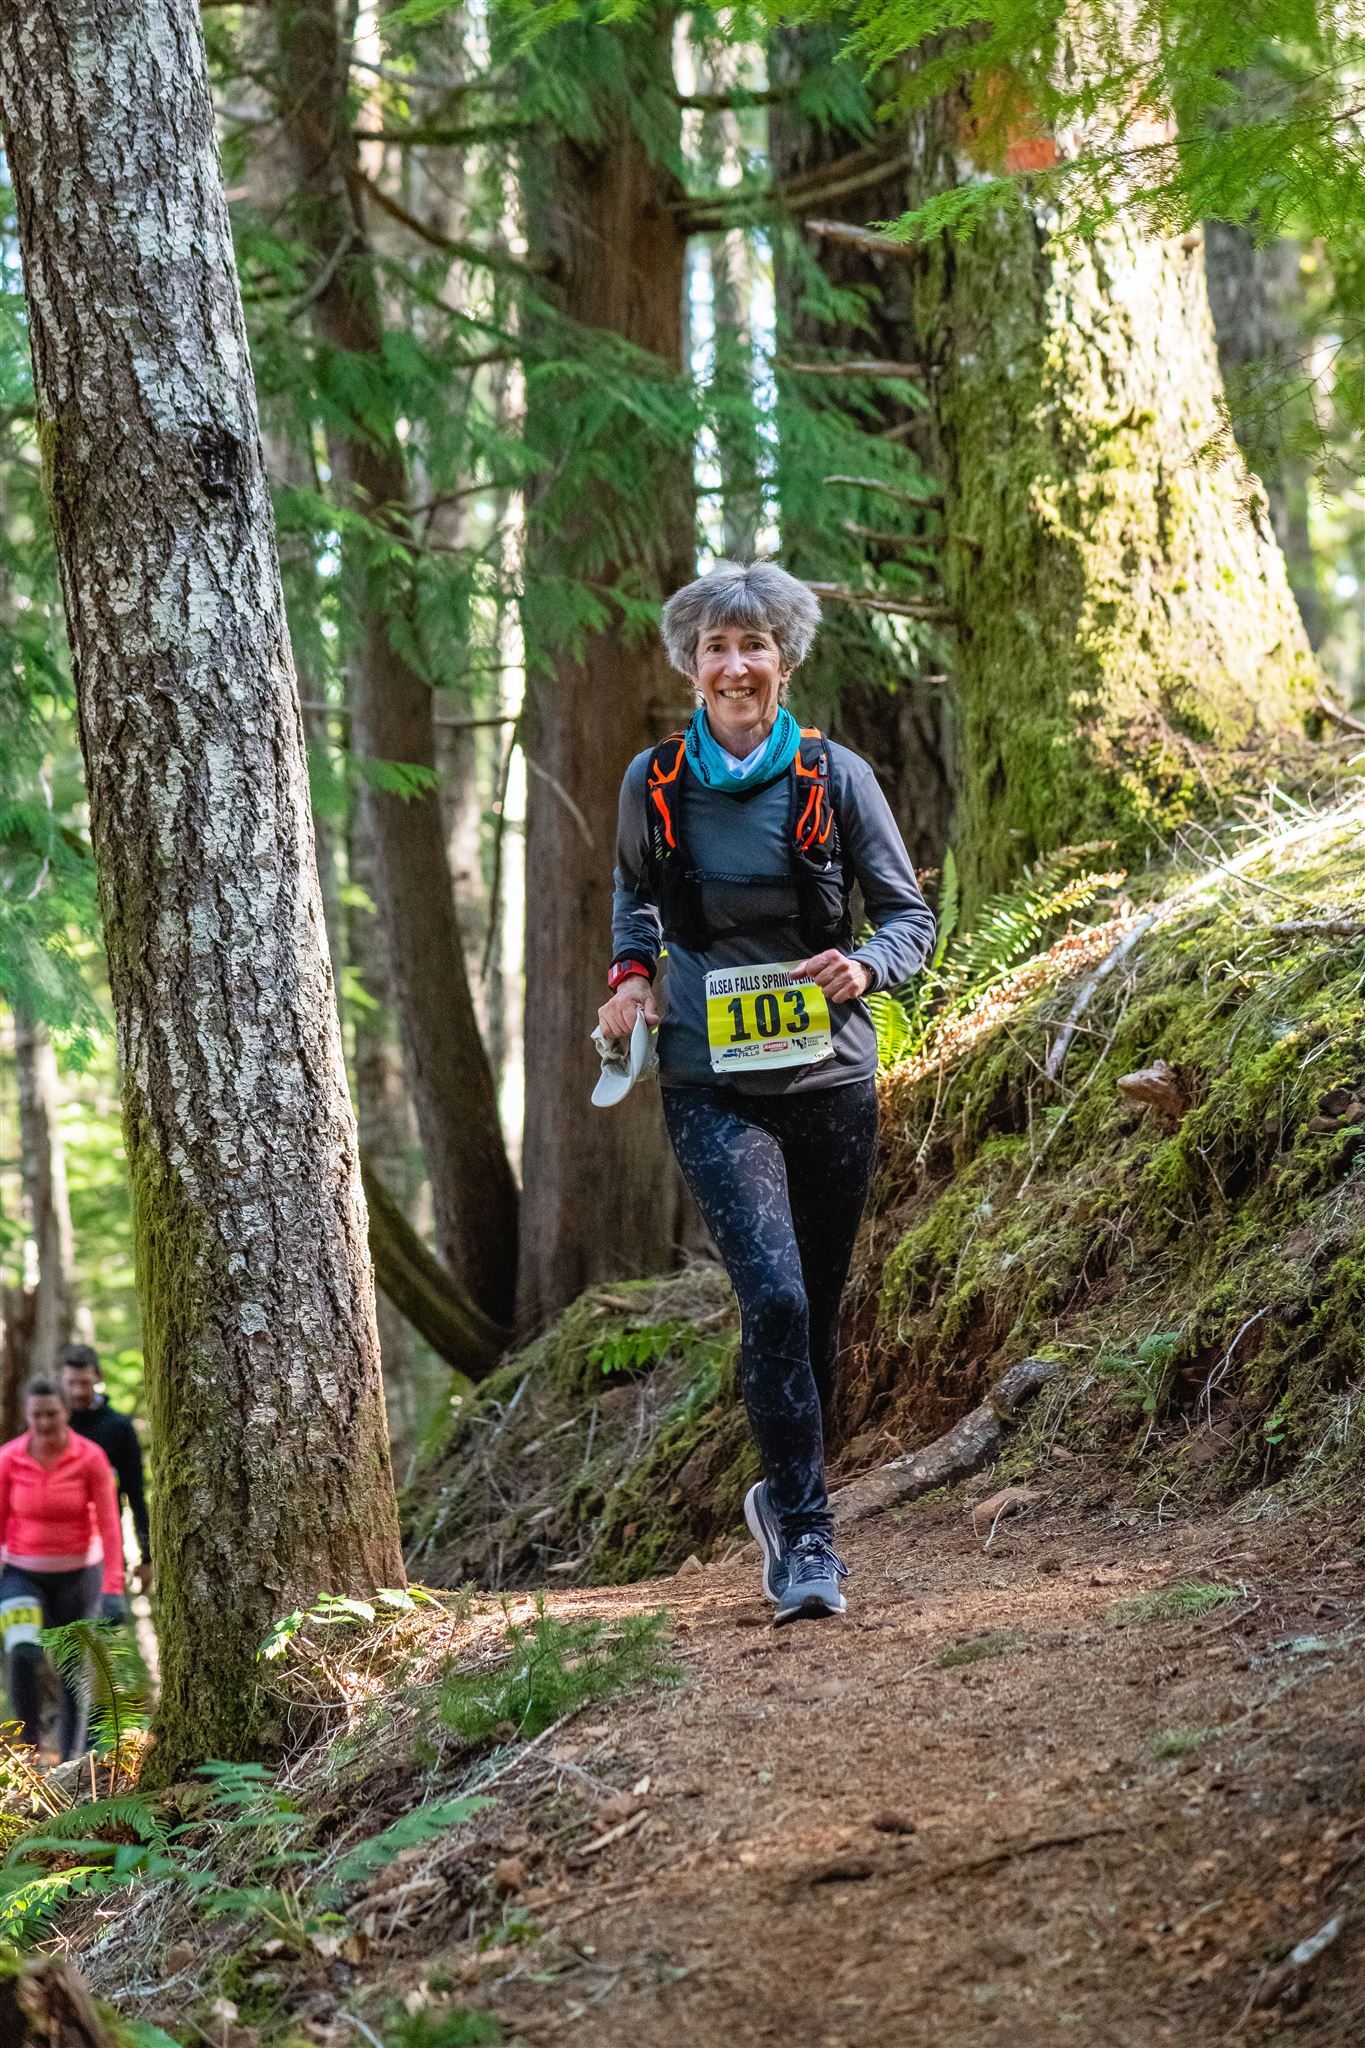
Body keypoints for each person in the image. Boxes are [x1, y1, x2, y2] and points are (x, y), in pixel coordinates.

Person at [599, 560, 935, 1626]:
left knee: (818, 1308)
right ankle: (806, 1529)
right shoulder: (653, 781)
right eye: (715, 648)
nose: (735, 665)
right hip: (710, 1079)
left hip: (831, 1074)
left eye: (753, 646)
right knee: (775, 1297)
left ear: (784, 661)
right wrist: (630, 981)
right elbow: (633, 902)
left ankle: (783, 1493)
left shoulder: (839, 777)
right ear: (692, 667)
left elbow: (909, 919)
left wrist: (866, 965)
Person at [0, 1377, 126, 1759]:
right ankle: (29, 1752)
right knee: (22, 1652)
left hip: (79, 1576)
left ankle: (71, 1763)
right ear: (26, 1414)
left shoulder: (90, 1458)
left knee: (74, 1670)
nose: (44, 1423)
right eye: (36, 1415)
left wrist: (113, 1588)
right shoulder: (8, 1458)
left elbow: (109, 1525)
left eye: (52, 1414)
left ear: (66, 1412)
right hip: (22, 1573)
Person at [59, 1343, 151, 1595]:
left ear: (98, 1377)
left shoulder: (118, 1427)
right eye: (71, 1383)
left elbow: (135, 1492)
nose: (78, 1391)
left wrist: (147, 1557)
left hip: (103, 1550)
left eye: (85, 1383)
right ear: (60, 1380)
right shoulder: (50, 1427)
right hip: (51, 1552)